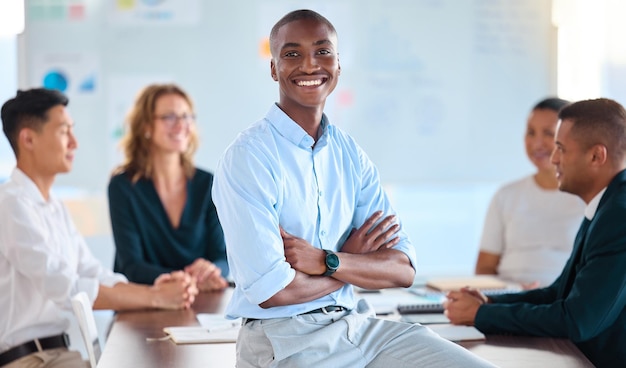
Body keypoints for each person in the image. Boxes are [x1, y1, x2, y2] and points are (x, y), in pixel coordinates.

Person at [212, 9, 495, 367]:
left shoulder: (350, 154)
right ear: (273, 69)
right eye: (292, 53)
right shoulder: (248, 158)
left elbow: (402, 268)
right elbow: (274, 291)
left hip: (360, 326)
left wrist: (328, 260)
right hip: (285, 337)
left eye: (323, 51)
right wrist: (351, 263)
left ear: (339, 65)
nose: (310, 65)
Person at [0, 88, 198, 368]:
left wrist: (151, 289)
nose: (74, 143)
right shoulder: (10, 204)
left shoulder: (53, 206)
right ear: (28, 139)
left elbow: (92, 271)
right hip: (32, 360)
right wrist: (154, 298)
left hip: (58, 354)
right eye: (64, 132)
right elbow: (67, 287)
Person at [445, 98, 626, 368]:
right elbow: (559, 293)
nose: (553, 158)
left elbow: (577, 320)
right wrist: (490, 303)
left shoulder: (618, 216)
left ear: (596, 156)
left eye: (561, 149)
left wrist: (482, 315)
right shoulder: (604, 206)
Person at [108, 83, 229, 291]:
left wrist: (210, 269)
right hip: (144, 305)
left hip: (199, 302)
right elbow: (131, 266)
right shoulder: (123, 186)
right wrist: (182, 279)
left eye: (187, 116)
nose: (181, 125)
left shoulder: (207, 183)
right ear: (146, 126)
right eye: (170, 117)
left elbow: (222, 258)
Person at [475, 97, 585, 288]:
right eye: (531, 132)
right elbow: (485, 267)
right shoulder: (506, 195)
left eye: (549, 133)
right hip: (510, 301)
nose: (537, 143)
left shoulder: (589, 197)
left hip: (564, 302)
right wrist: (509, 291)